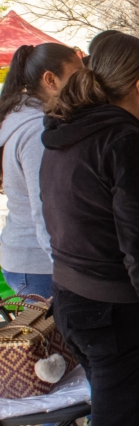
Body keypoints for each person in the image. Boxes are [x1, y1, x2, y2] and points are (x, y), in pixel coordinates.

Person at [41, 32, 139, 426]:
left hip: (73, 297)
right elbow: (138, 237)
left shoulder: (66, 131)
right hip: (114, 309)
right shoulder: (121, 138)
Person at [0, 43, 82, 298]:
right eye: (77, 77)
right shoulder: (37, 130)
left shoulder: (23, 115)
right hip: (39, 264)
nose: (84, 86)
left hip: (29, 257)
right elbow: (45, 209)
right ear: (50, 80)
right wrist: (67, 271)